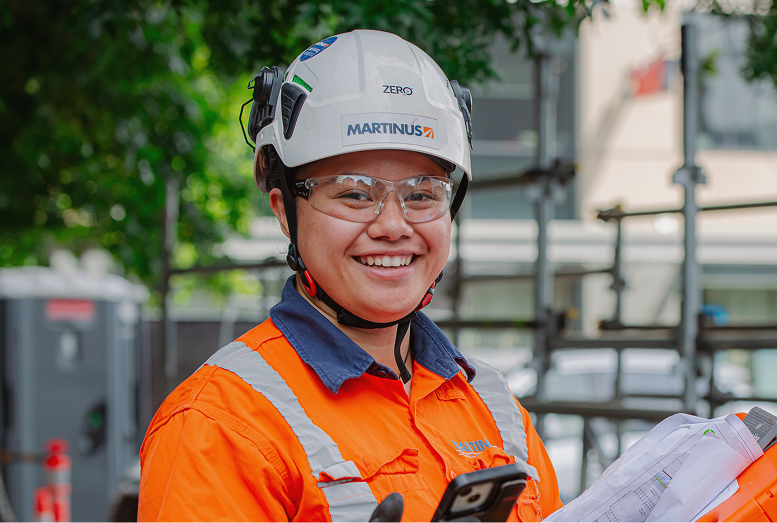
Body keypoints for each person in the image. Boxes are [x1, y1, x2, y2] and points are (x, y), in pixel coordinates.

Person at [138, 30, 562, 522]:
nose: (392, 226)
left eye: (422, 194)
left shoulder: (493, 407)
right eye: (354, 194)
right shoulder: (222, 424)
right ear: (284, 210)